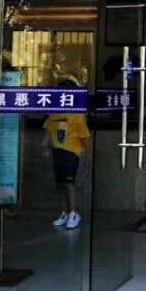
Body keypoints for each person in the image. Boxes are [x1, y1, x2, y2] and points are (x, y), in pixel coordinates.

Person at [42, 77, 90, 230]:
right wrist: (46, 147)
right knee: (60, 184)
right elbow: (49, 132)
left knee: (69, 183)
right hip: (58, 151)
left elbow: (84, 137)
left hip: (71, 152)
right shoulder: (54, 113)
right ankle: (65, 212)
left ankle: (74, 213)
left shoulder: (77, 115)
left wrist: (87, 155)